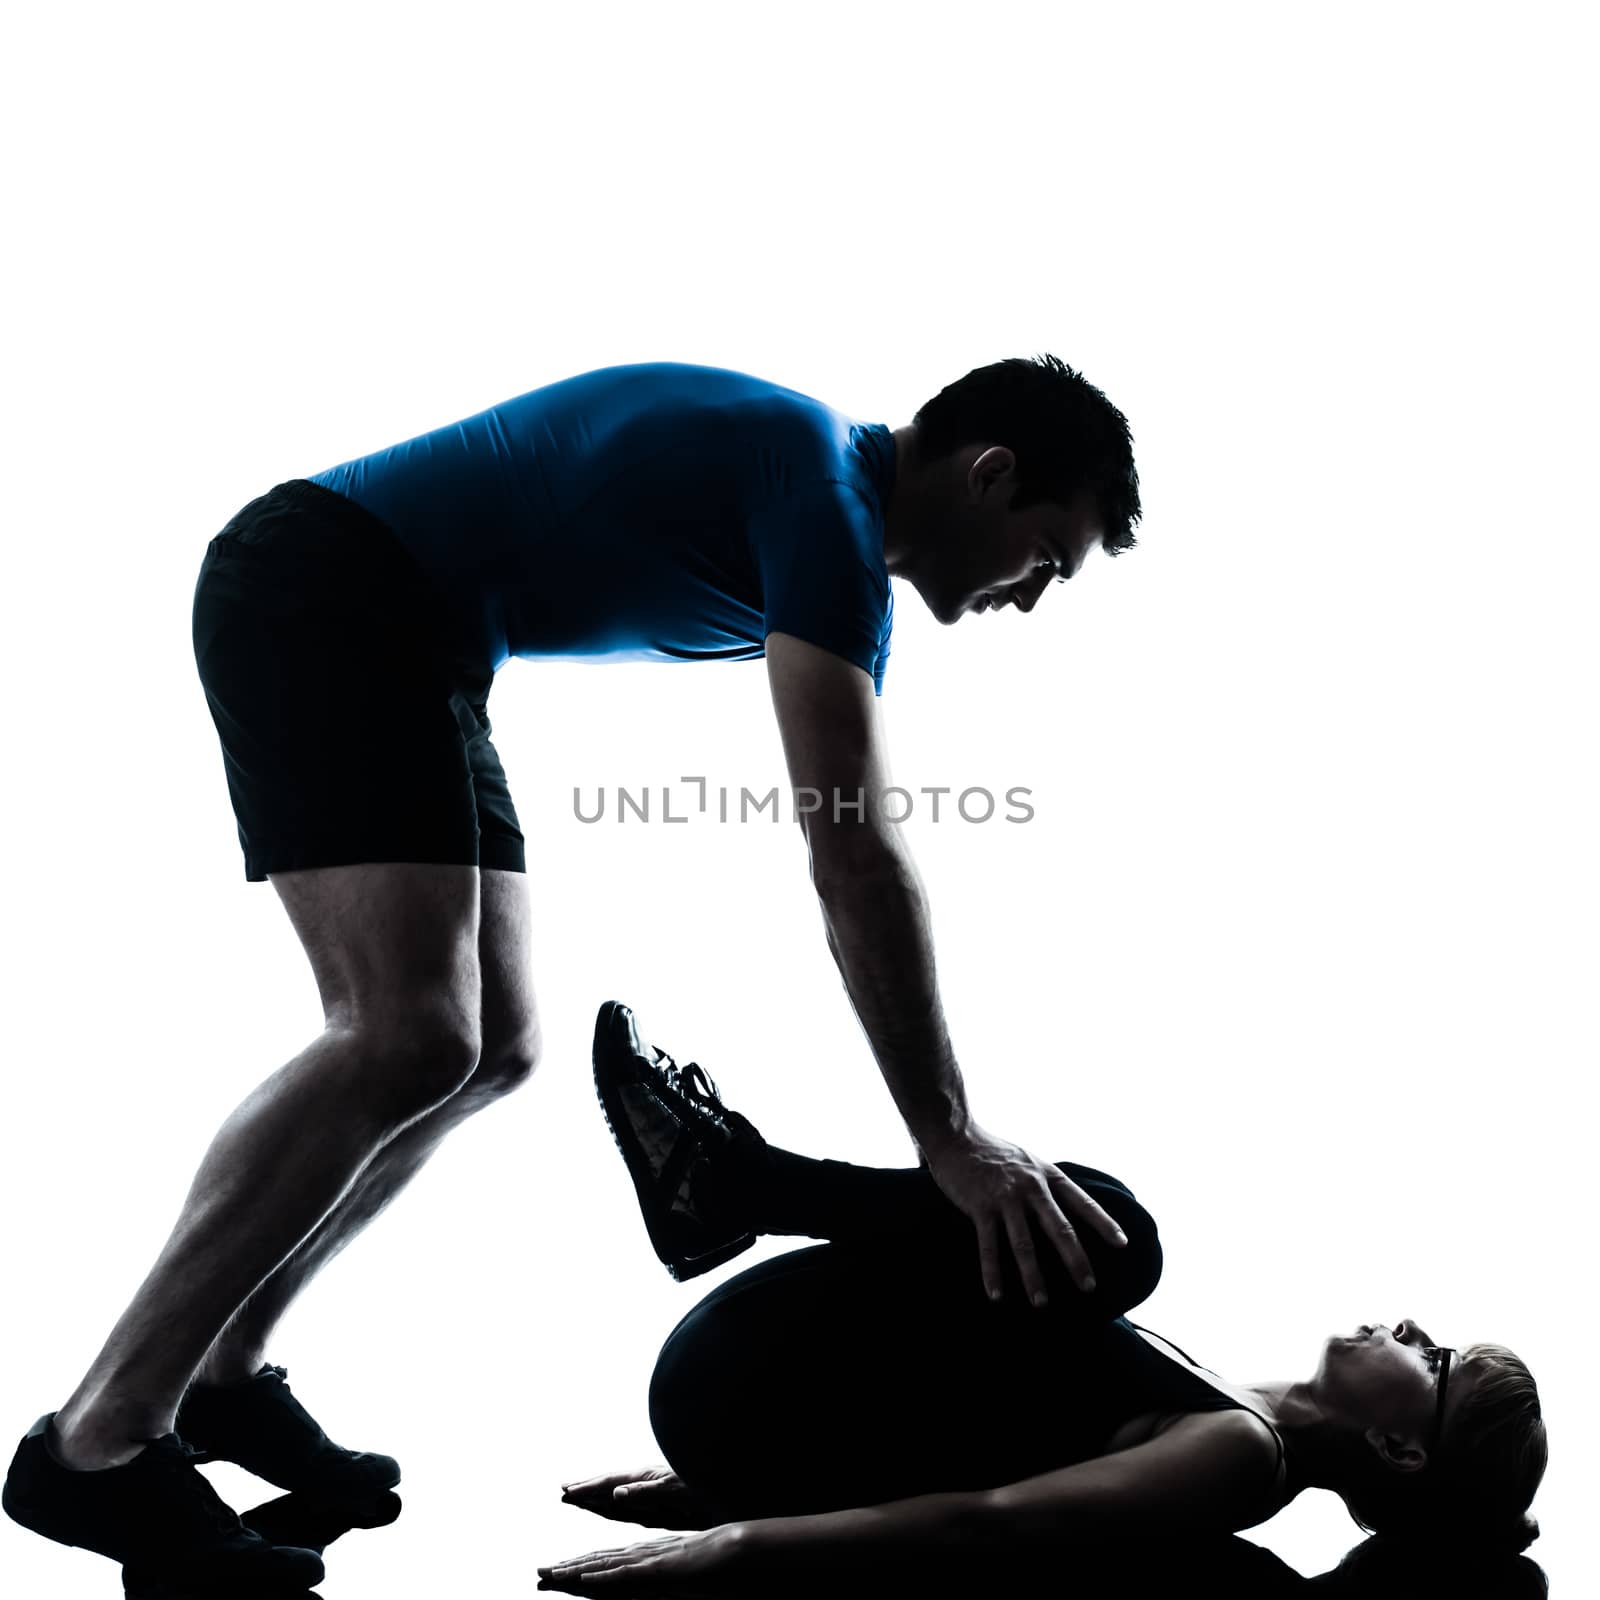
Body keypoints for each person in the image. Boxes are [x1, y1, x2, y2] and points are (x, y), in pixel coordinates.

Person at [3, 357, 1144, 1587]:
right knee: (404, 1032)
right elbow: (852, 848)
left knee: (489, 1048)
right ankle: (99, 1442)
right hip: (328, 586)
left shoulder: (826, 507)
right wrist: (952, 1134)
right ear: (989, 474)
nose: (1028, 601)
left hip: (422, 641)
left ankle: (219, 1375)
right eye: (1045, 558)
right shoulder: (826, 502)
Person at [538, 1003, 1547, 1595]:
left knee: (1119, 1239)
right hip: (750, 1412)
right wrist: (718, 1489)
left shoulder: (1239, 1456)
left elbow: (986, 1521)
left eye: (1439, 1358)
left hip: (753, 1403)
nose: (1415, 1327)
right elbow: (983, 1429)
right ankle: (727, 1187)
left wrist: (731, 1543)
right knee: (1107, 1246)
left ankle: (729, 1185)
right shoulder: (1231, 1408)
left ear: (1404, 1449)